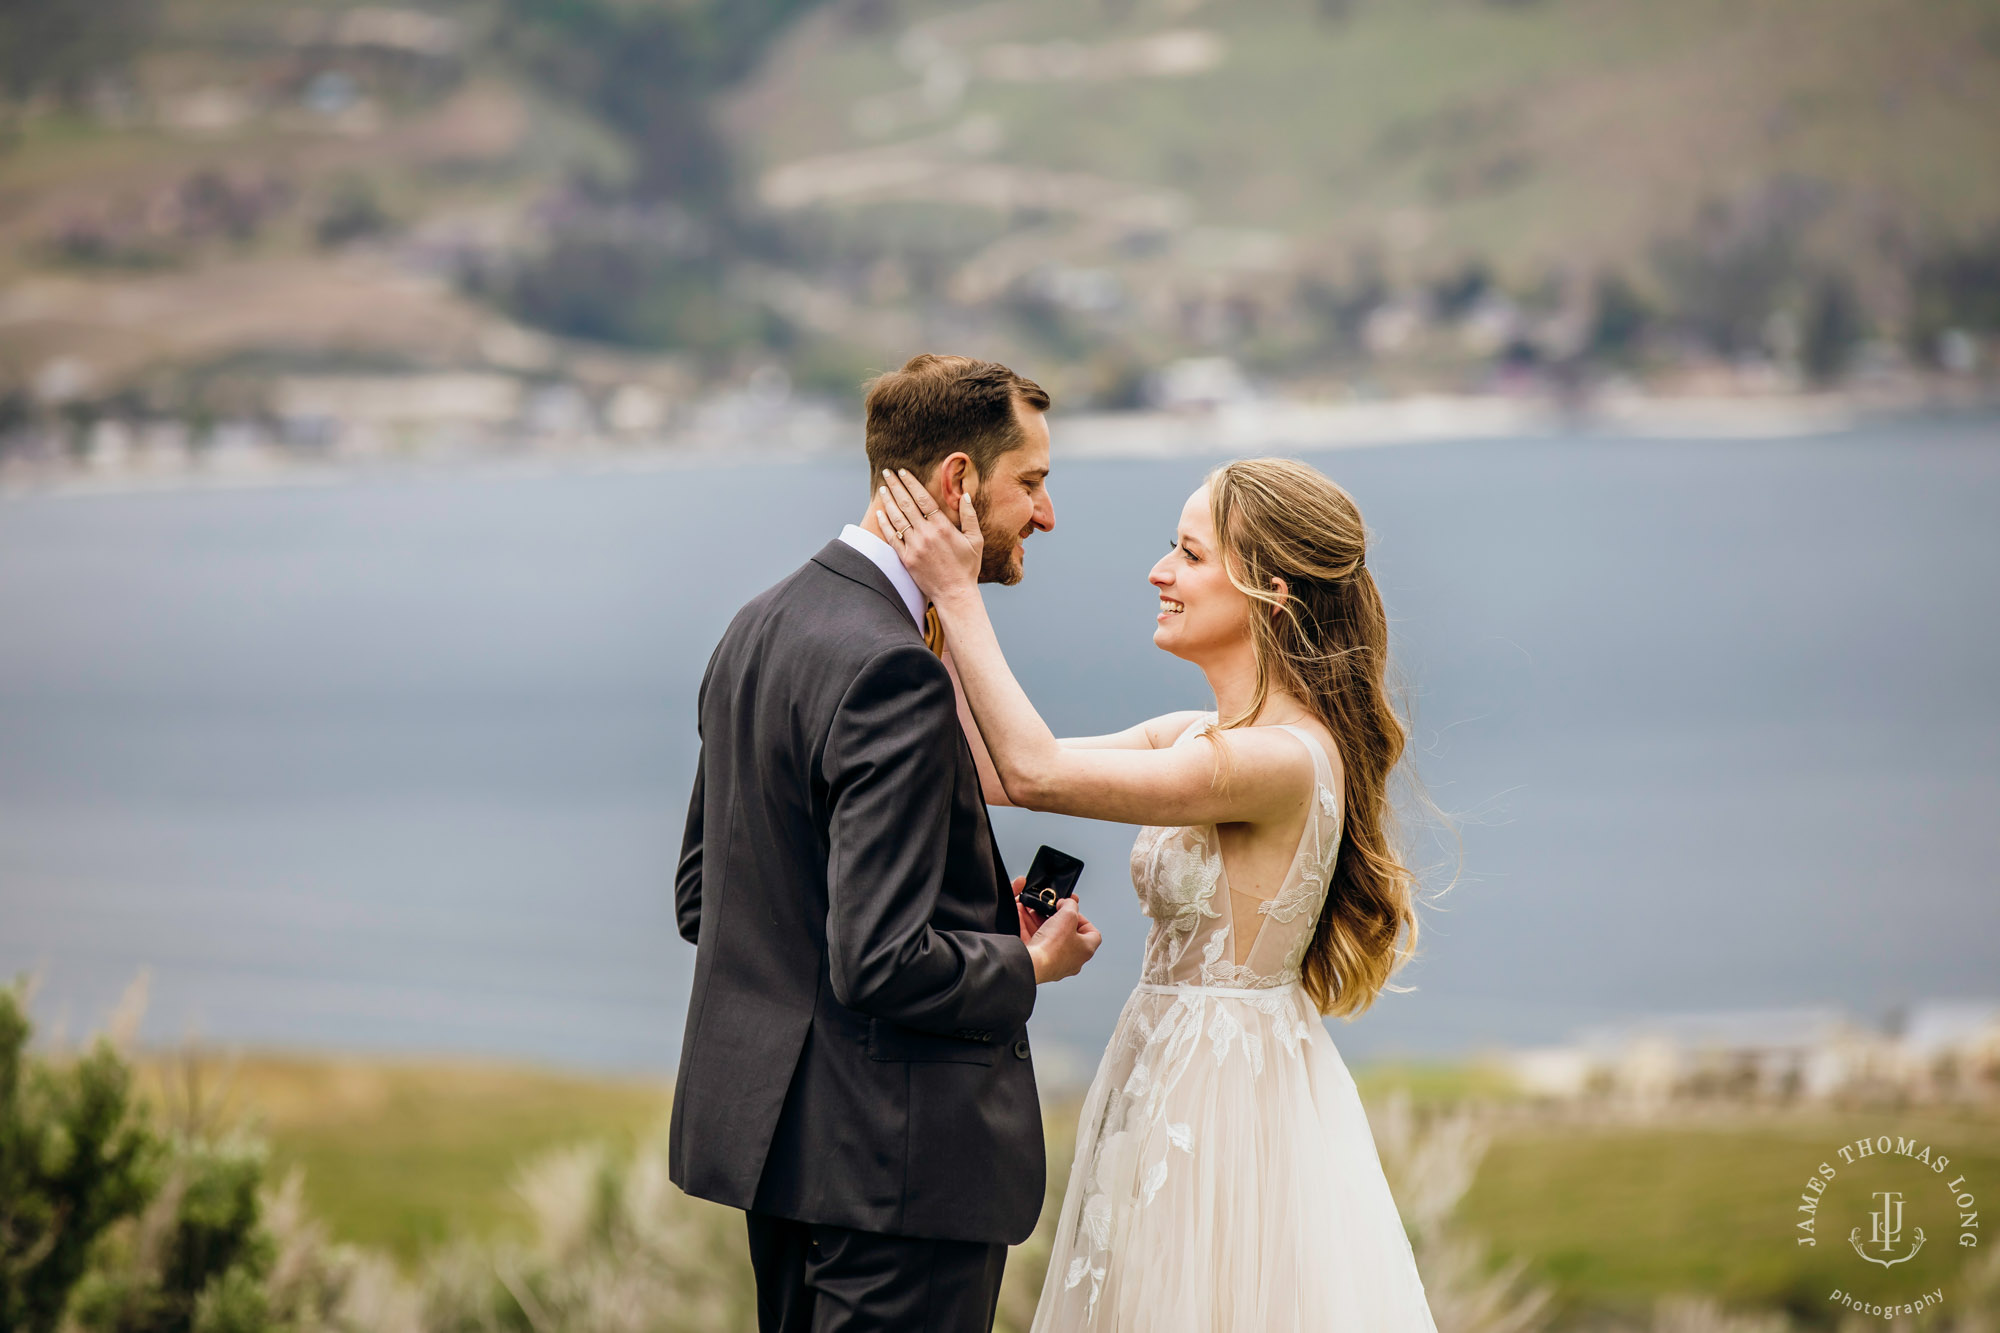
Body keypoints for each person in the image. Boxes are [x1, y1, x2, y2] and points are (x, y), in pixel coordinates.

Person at [875, 456, 1440, 1332]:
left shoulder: (1280, 760)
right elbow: (986, 768)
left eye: (1189, 554)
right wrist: (924, 607)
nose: (1158, 572)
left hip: (1222, 1092)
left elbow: (1035, 771)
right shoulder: (1199, 734)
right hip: (1164, 1061)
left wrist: (959, 595)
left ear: (1270, 591)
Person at [668, 353, 1102, 1333]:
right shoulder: (890, 671)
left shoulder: (758, 626)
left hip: (787, 1167)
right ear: (956, 481)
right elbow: (877, 960)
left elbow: (708, 898)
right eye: (1029, 482)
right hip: (898, 1177)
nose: (1044, 514)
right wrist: (1025, 962)